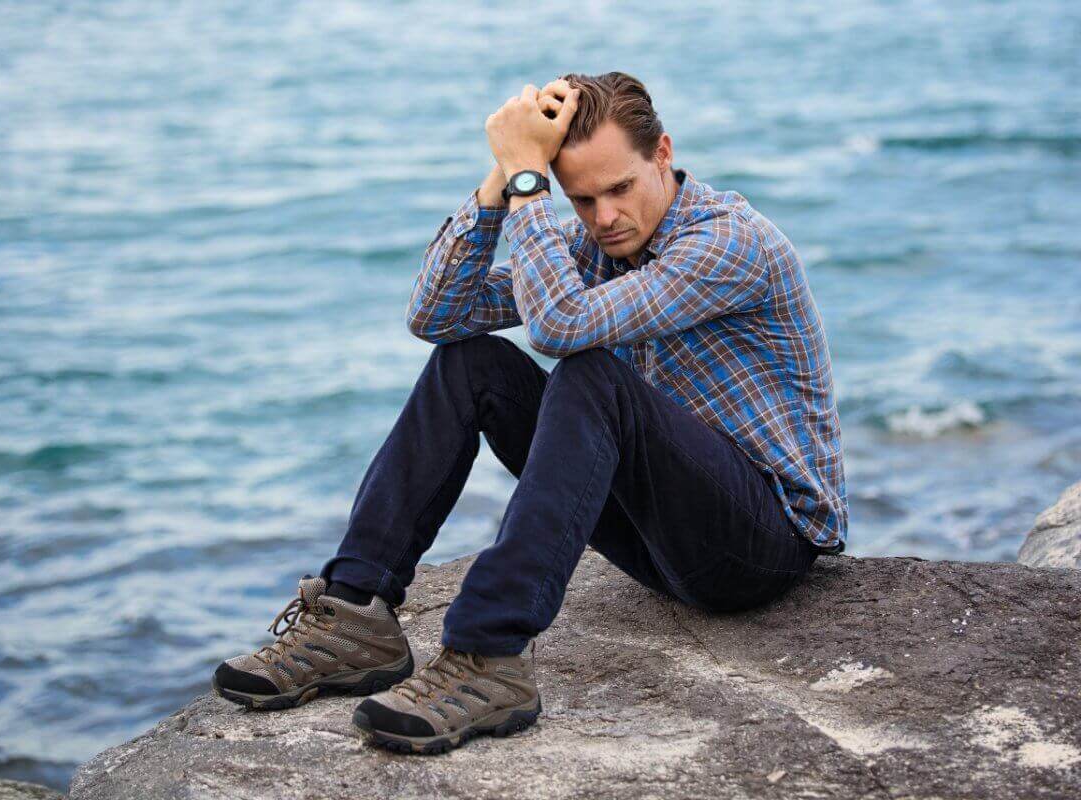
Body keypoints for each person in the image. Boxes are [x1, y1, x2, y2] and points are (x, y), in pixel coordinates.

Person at [212, 71, 848, 754]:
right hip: (658, 537)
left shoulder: (728, 243)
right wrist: (504, 174)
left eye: (620, 188)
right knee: (471, 362)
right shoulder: (597, 240)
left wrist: (528, 182)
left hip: (759, 550)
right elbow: (438, 315)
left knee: (592, 373)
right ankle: (355, 612)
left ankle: (488, 653)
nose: (603, 216)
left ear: (662, 153)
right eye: (580, 197)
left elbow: (559, 326)